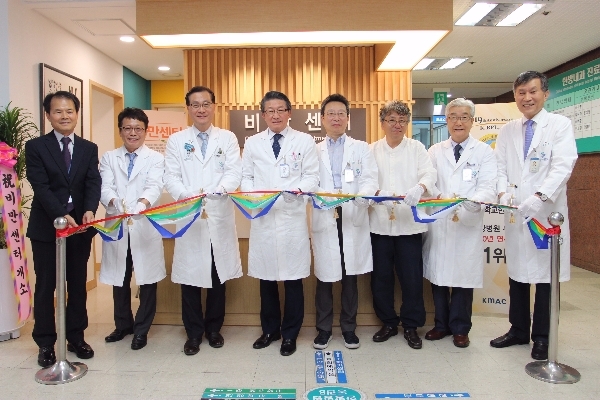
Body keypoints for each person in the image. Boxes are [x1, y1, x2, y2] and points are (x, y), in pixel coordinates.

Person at [490, 71, 578, 360]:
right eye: (521, 93)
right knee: (517, 274)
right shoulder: (509, 129)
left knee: (545, 277)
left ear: (545, 94)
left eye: (532, 91)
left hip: (546, 214)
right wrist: (502, 193)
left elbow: (563, 166)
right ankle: (518, 330)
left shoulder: (559, 125)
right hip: (516, 212)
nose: (527, 98)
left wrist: (539, 197)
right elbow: (499, 166)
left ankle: (542, 337)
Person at [164, 86, 243, 356]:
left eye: (206, 104)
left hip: (218, 211)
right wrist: (188, 195)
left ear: (214, 107)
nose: (201, 109)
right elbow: (171, 176)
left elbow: (234, 172)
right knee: (190, 277)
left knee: (217, 274)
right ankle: (193, 333)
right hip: (190, 213)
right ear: (188, 108)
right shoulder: (176, 140)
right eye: (195, 105)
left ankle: (214, 329)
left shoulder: (227, 138)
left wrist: (220, 190)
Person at [26, 91, 101, 367]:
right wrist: (61, 214)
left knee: (78, 284)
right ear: (48, 115)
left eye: (69, 111)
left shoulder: (88, 148)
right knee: (46, 286)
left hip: (80, 228)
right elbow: (40, 186)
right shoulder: (36, 146)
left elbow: (93, 181)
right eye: (58, 111)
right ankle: (46, 343)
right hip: (47, 229)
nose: (65, 116)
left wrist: (89, 210)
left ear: (77, 114)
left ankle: (76, 337)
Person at [241, 90, 319, 356]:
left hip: (291, 217)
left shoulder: (304, 141)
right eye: (270, 111)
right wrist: (256, 197)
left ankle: (290, 334)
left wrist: (297, 190)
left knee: (293, 279)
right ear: (263, 115)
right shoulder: (253, 143)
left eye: (280, 110)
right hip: (264, 217)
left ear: (289, 113)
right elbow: (246, 177)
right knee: (266, 279)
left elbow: (312, 177)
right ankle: (270, 330)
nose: (275, 115)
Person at [423, 98, 497, 348]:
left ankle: (461, 328)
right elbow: (429, 180)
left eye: (464, 117)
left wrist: (475, 201)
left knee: (464, 278)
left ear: (472, 121)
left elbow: (488, 185)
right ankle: (441, 324)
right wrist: (436, 195)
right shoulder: (435, 151)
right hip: (441, 220)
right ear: (446, 120)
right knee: (439, 275)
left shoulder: (484, 152)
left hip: (467, 219)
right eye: (453, 116)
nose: (458, 122)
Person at [310, 94, 378, 350]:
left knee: (350, 276)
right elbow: (309, 180)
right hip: (325, 213)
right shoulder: (314, 150)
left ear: (348, 118)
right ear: (322, 119)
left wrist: (363, 196)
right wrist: (320, 197)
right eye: (331, 113)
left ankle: (349, 328)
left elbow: (370, 179)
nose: (336, 118)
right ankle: (323, 329)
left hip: (352, 214)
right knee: (325, 276)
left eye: (341, 113)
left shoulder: (361, 148)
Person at [368, 100, 436, 350]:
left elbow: (429, 174)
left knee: (411, 278)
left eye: (402, 121)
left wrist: (420, 187)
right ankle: (387, 322)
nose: (397, 125)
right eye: (392, 120)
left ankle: (411, 325)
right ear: (382, 123)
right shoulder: (371, 150)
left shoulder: (417, 148)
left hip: (410, 225)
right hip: (379, 225)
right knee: (381, 278)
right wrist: (378, 192)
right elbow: (365, 180)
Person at [99, 108, 166, 350]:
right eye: (128, 128)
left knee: (147, 279)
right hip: (118, 222)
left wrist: (141, 204)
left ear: (146, 131)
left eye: (138, 128)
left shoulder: (155, 158)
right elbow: (104, 187)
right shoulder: (109, 157)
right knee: (120, 278)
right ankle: (122, 325)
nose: (133, 133)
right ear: (120, 131)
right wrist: (116, 202)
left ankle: (141, 329)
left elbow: (154, 186)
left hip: (143, 223)